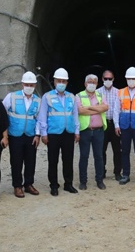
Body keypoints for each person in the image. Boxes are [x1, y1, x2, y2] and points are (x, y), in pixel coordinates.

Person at [38, 68, 80, 196]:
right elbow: (42, 116)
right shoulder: (47, 96)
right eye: (59, 80)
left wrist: (76, 131)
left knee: (68, 159)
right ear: (54, 81)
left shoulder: (72, 97)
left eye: (64, 81)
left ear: (67, 83)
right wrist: (43, 133)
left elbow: (75, 115)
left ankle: (68, 184)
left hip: (68, 132)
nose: (61, 83)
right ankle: (54, 185)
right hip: (53, 133)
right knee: (53, 160)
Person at [3, 71, 40, 198]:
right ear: (22, 84)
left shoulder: (37, 100)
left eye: (32, 85)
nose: (29, 87)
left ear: (35, 85)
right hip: (15, 134)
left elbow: (39, 119)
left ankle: (28, 184)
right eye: (27, 84)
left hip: (30, 135)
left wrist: (37, 135)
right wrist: (5, 134)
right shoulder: (11, 97)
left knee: (31, 161)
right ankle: (17, 186)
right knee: (16, 161)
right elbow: (3, 115)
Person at [77, 74, 109, 190]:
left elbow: (105, 108)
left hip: (98, 131)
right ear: (85, 84)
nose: (92, 84)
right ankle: (83, 181)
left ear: (97, 84)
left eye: (94, 82)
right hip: (85, 130)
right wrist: (96, 109)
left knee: (99, 156)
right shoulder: (79, 96)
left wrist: (89, 108)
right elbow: (80, 110)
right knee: (84, 156)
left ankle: (99, 181)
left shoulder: (100, 95)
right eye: (90, 81)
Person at [97, 70, 122, 181]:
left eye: (110, 79)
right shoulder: (97, 92)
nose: (108, 81)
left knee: (117, 150)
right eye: (105, 79)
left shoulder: (118, 92)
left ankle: (117, 172)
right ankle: (102, 172)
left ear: (113, 79)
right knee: (101, 150)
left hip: (114, 124)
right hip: (103, 124)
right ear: (102, 79)